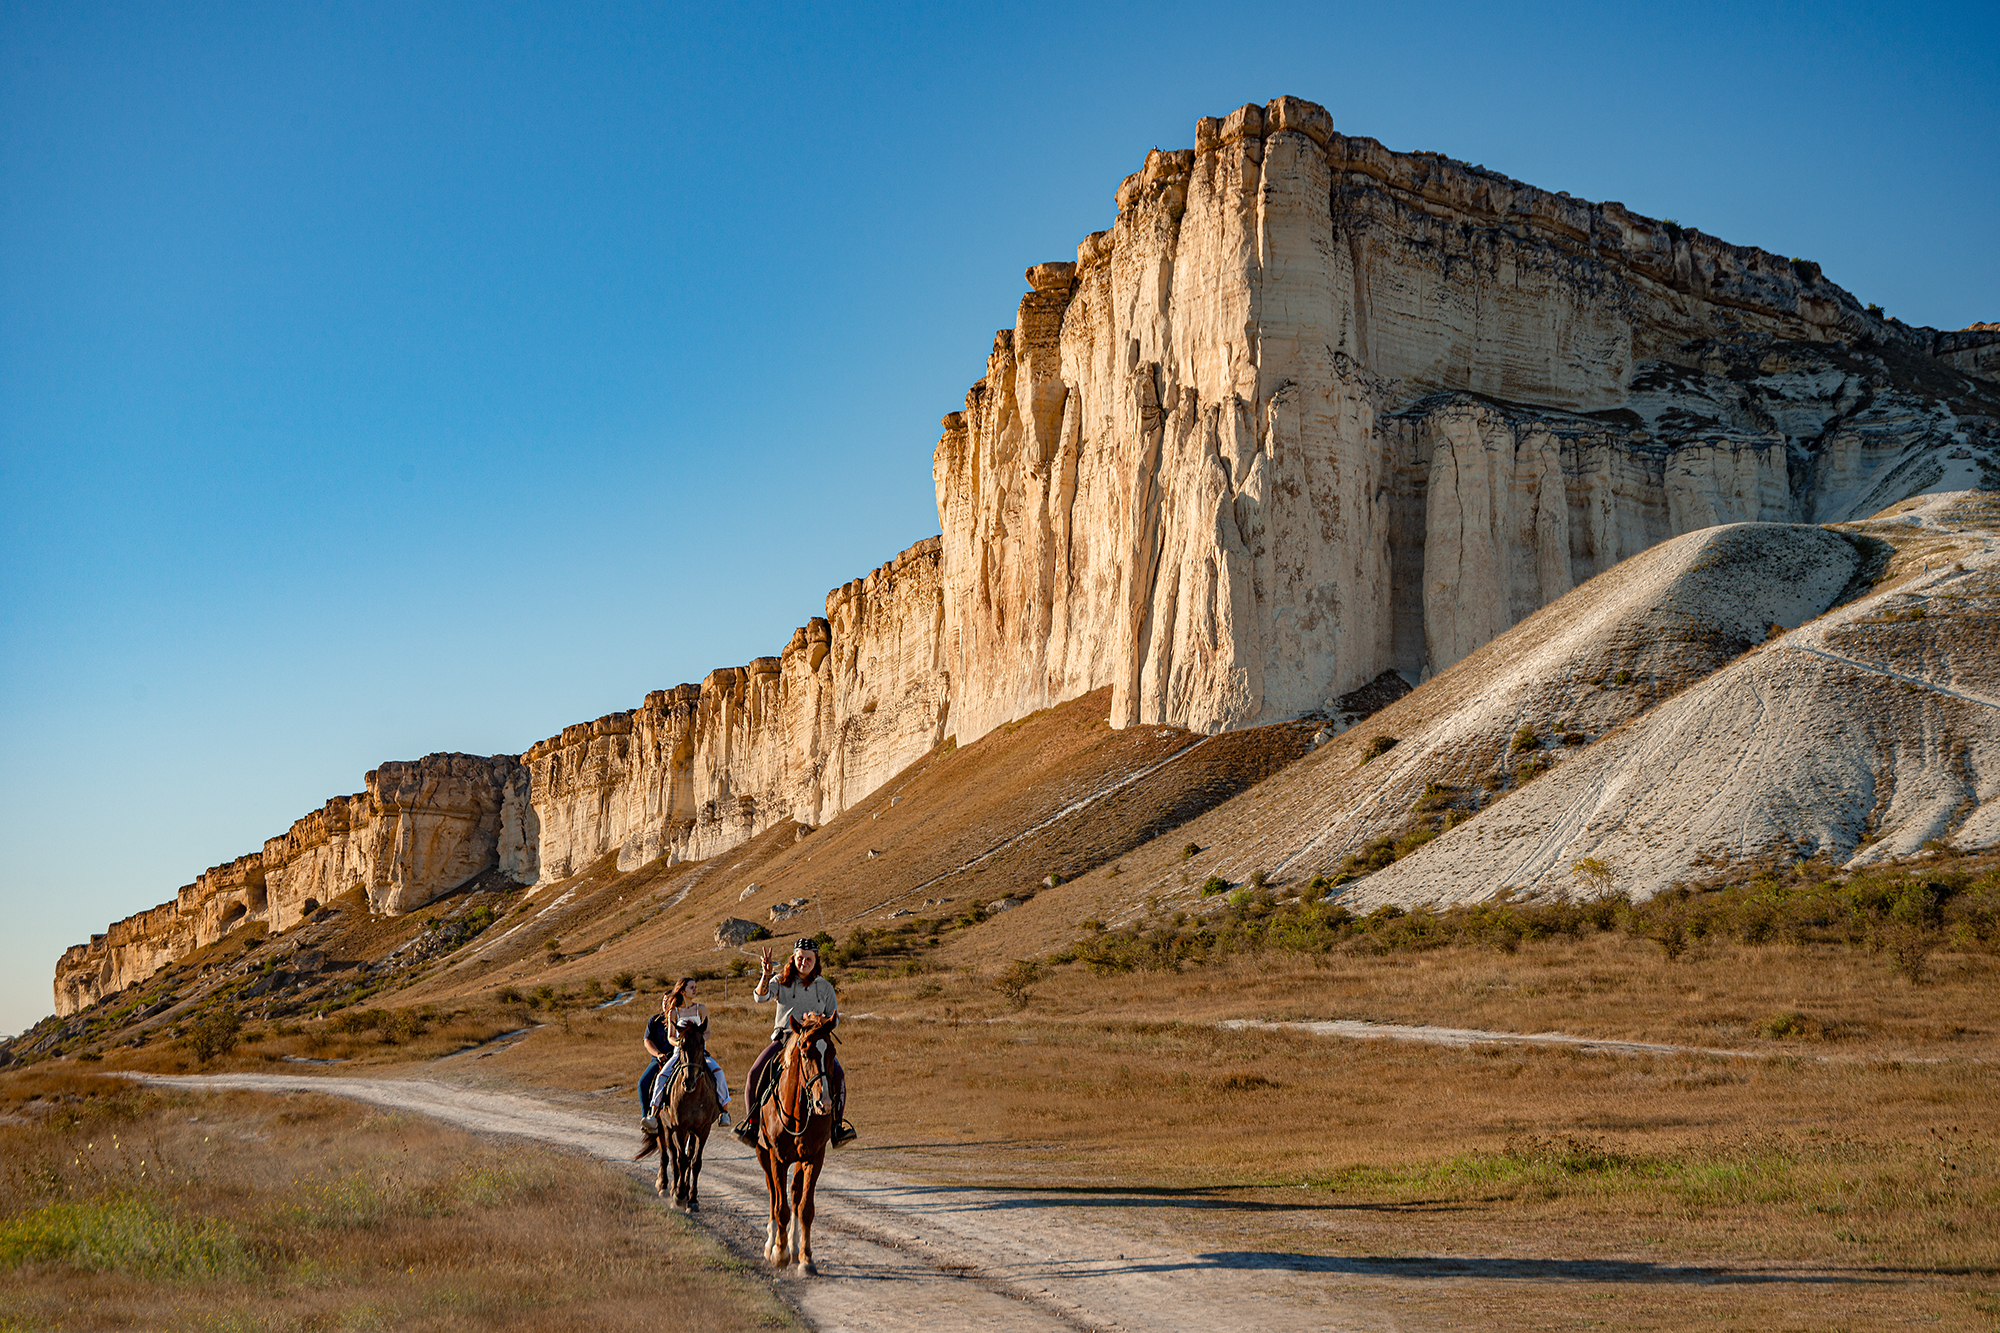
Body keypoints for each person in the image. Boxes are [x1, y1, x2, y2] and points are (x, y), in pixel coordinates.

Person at [733, 937, 855, 1146]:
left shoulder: (825, 987)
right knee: (754, 1074)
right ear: (793, 958)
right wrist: (766, 973)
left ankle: (836, 1127)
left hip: (813, 1041)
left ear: (816, 960)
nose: (804, 962)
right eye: (800, 958)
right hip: (785, 1039)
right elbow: (760, 997)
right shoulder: (781, 980)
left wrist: (816, 1019)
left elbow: (834, 1019)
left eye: (808, 958)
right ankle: (752, 1125)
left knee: (839, 1075)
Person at [640, 978, 730, 1135]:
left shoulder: (700, 1008)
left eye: (695, 987)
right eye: (691, 987)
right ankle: (653, 1115)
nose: (695, 990)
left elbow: (707, 1031)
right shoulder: (674, 1012)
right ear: (682, 991)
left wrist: (700, 1040)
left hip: (700, 1052)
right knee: (662, 1076)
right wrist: (680, 1043)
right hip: (679, 1053)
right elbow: (670, 1037)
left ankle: (724, 1112)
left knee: (719, 1073)